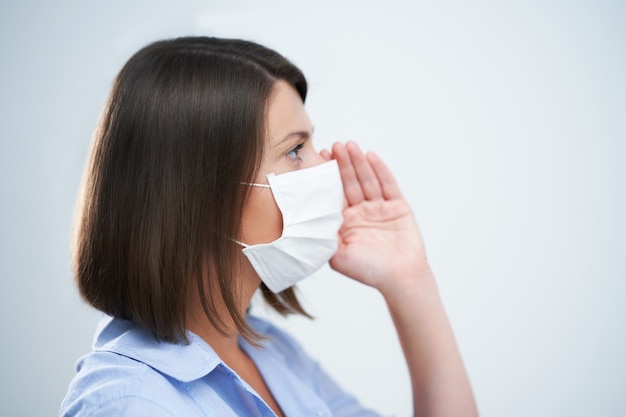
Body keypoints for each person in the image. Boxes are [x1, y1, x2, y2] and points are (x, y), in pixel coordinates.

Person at [60, 36, 478, 417]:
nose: (327, 164)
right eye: (296, 150)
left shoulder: (269, 352)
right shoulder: (132, 404)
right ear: (202, 195)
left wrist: (411, 281)